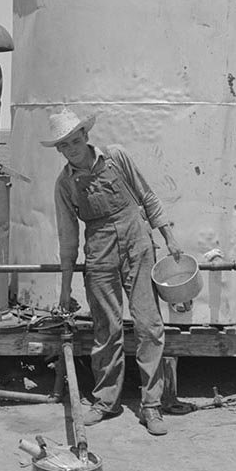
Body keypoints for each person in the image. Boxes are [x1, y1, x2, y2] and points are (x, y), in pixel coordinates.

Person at [43, 108, 183, 437]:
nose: (71, 148)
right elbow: (67, 239)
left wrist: (169, 237)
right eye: (64, 144)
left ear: (86, 136)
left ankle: (151, 405)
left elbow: (147, 196)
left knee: (148, 324)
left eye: (75, 140)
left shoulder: (117, 157)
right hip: (99, 249)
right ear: (59, 150)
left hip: (138, 241)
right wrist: (65, 289)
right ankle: (106, 401)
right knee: (107, 328)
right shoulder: (65, 184)